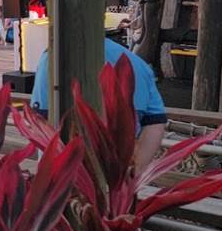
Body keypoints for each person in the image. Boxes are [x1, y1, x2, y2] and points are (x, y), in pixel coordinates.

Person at [30, 37, 168, 170]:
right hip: (121, 165)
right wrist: (134, 172)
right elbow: (155, 120)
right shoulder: (137, 63)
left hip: (66, 167)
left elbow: (42, 119)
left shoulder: (51, 60)